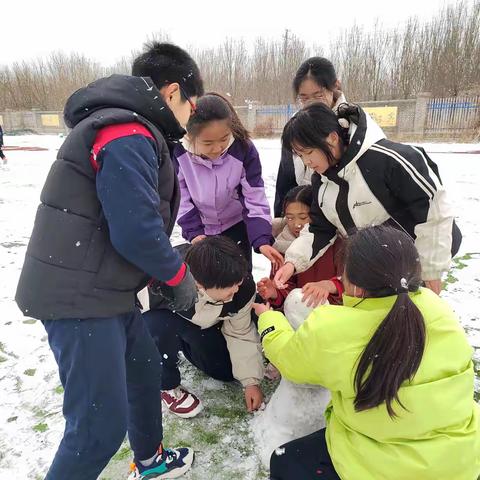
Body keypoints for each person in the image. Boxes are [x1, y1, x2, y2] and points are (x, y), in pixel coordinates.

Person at [15, 42, 204, 480]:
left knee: (143, 372)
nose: (190, 117)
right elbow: (136, 228)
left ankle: (151, 461)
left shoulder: (131, 128)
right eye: (191, 106)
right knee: (98, 429)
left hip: (107, 291)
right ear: (174, 91)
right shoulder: (127, 131)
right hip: (80, 299)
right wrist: (177, 276)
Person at [255, 225, 480, 480]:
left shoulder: (333, 328)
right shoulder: (440, 310)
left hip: (384, 463)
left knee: (285, 460)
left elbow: (289, 359)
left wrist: (270, 320)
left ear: (356, 287)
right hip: (460, 458)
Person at [274, 102, 462, 295]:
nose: (306, 162)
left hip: (417, 262)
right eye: (299, 155)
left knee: (416, 320)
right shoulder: (322, 182)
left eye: (309, 152)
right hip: (379, 268)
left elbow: (434, 210)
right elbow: (320, 229)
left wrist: (430, 270)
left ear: (332, 137)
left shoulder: (388, 159)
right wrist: (292, 263)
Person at [144, 236, 264, 418]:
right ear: (200, 285)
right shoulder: (163, 278)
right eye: (230, 287)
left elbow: (240, 331)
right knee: (156, 324)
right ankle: (167, 385)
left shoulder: (241, 286)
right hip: (170, 318)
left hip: (206, 324)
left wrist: (250, 382)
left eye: (238, 283)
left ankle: (185, 345)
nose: (237, 290)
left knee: (224, 372)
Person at [174, 92, 282, 270]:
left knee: (240, 278)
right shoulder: (179, 153)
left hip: (236, 225)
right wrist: (194, 233)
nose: (217, 148)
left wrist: (261, 238)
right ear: (190, 136)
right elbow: (180, 198)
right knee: (210, 283)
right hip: (201, 229)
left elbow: (254, 196)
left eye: (224, 139)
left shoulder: (243, 149)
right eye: (207, 143)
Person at [274, 57, 347, 217]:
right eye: (304, 98)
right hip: (305, 215)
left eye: (318, 95)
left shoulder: (350, 124)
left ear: (335, 85)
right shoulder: (295, 128)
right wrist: (282, 216)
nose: (311, 103)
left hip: (340, 215)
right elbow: (286, 180)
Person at [257, 185, 343, 308]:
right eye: (290, 218)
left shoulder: (336, 242)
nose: (297, 224)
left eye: (303, 217)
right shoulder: (281, 245)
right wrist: (274, 292)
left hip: (335, 313)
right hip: (300, 313)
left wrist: (328, 286)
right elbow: (287, 290)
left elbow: (351, 284)